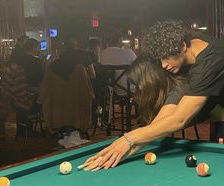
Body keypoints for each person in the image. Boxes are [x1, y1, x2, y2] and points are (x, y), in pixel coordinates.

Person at [82, 20, 224, 171]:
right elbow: (164, 119)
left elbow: (179, 119)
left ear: (183, 46)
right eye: (160, 59)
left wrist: (128, 139)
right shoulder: (185, 47)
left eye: (167, 57)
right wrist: (128, 148)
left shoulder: (210, 61)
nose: (164, 65)